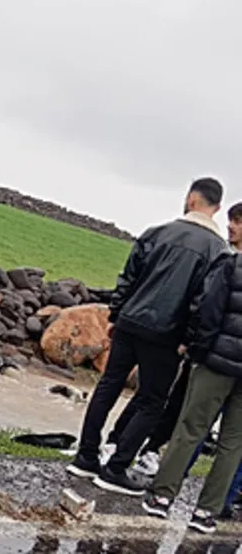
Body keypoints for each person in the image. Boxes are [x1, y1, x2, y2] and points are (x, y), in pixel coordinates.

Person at [66, 178, 229, 495]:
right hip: (167, 335)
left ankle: (86, 456)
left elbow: (128, 276)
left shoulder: (156, 232)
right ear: (217, 209)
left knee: (108, 385)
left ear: (190, 199)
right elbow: (203, 302)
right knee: (152, 401)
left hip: (129, 322)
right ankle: (116, 468)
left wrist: (116, 315)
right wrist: (190, 340)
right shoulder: (217, 252)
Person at [142, 245, 242, 534]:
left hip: (216, 362)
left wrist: (199, 349)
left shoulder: (231, 264)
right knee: (233, 443)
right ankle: (207, 511)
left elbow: (209, 308)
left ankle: (162, 495)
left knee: (190, 428)